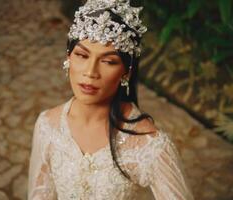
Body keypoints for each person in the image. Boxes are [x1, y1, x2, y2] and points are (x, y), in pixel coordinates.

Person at [28, 0, 194, 199]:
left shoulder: (149, 144)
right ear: (68, 58)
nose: (90, 72)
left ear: (126, 71)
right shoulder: (48, 125)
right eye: (82, 55)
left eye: (108, 61)